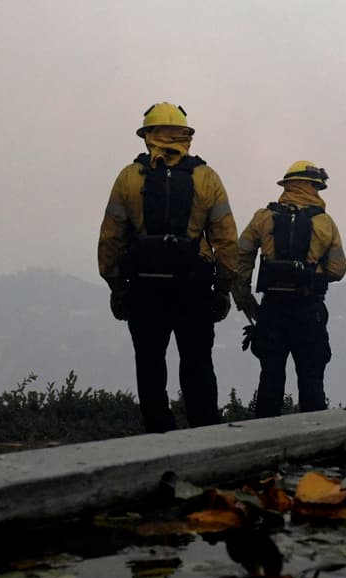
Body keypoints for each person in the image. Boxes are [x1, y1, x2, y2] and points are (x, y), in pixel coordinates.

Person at [97, 102, 240, 433]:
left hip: (144, 289)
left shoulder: (129, 178)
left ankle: (159, 437)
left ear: (148, 136)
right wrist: (223, 287)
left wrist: (117, 287)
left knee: (149, 365)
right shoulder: (206, 178)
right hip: (193, 289)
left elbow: (111, 239)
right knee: (198, 363)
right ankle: (206, 436)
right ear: (185, 135)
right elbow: (227, 240)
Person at [234, 161, 346, 417]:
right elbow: (339, 269)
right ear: (314, 187)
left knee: (270, 377)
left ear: (287, 186)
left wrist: (245, 299)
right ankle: (316, 442)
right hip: (308, 309)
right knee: (311, 379)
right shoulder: (325, 223)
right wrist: (311, 274)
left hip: (272, 309)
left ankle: (263, 442)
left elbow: (240, 257)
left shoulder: (263, 217)